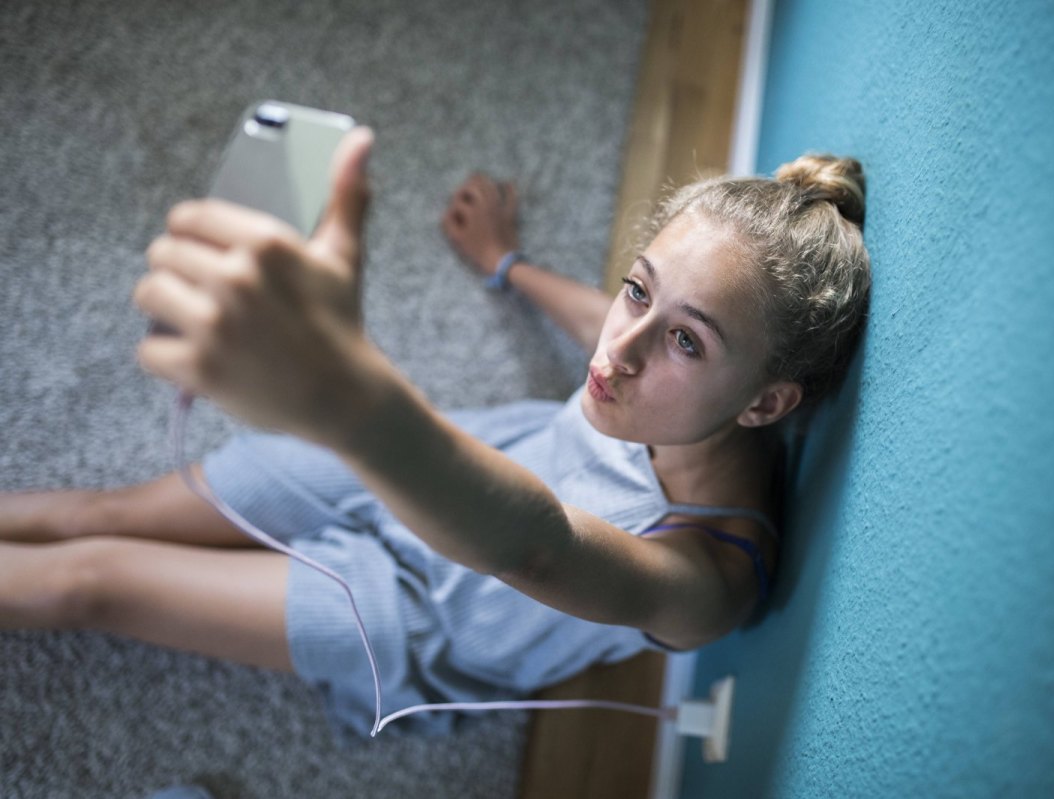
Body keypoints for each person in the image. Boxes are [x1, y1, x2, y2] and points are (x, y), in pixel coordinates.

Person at [0, 128, 871, 736]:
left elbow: (537, 547)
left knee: (92, 578)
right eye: (638, 290)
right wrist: (507, 263)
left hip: (412, 611)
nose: (622, 348)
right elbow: (594, 323)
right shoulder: (663, 376)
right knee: (94, 510)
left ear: (765, 403)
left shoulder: (712, 579)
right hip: (433, 460)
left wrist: (339, 397)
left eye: (687, 339)